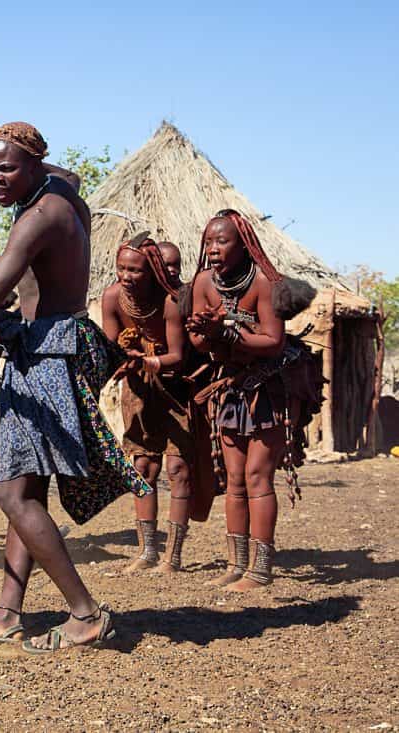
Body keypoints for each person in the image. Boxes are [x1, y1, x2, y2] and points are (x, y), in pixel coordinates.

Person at [0, 122, 151, 652]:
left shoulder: (38, 218)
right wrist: (16, 162)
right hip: (49, 347)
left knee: (10, 493)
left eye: (7, 168)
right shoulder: (63, 194)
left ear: (34, 165)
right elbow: (71, 173)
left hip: (47, 357)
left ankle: (86, 613)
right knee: (26, 489)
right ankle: (7, 613)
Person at [186, 209, 323, 591]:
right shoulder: (202, 282)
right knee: (234, 479)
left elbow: (272, 341)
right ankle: (236, 563)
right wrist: (207, 332)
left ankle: (260, 570)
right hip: (230, 387)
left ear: (242, 244)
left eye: (222, 241)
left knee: (257, 476)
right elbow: (197, 341)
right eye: (209, 242)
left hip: (269, 388)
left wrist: (226, 332)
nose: (213, 249)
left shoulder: (264, 282)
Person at [101, 233, 194, 572]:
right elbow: (110, 350)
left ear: (152, 270)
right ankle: (147, 551)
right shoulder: (112, 297)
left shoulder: (170, 302)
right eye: (121, 268)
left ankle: (174, 556)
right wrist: (121, 360)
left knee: (178, 468)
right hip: (138, 391)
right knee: (142, 468)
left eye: (135, 270)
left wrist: (148, 361)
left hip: (175, 391)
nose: (126, 276)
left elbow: (178, 356)